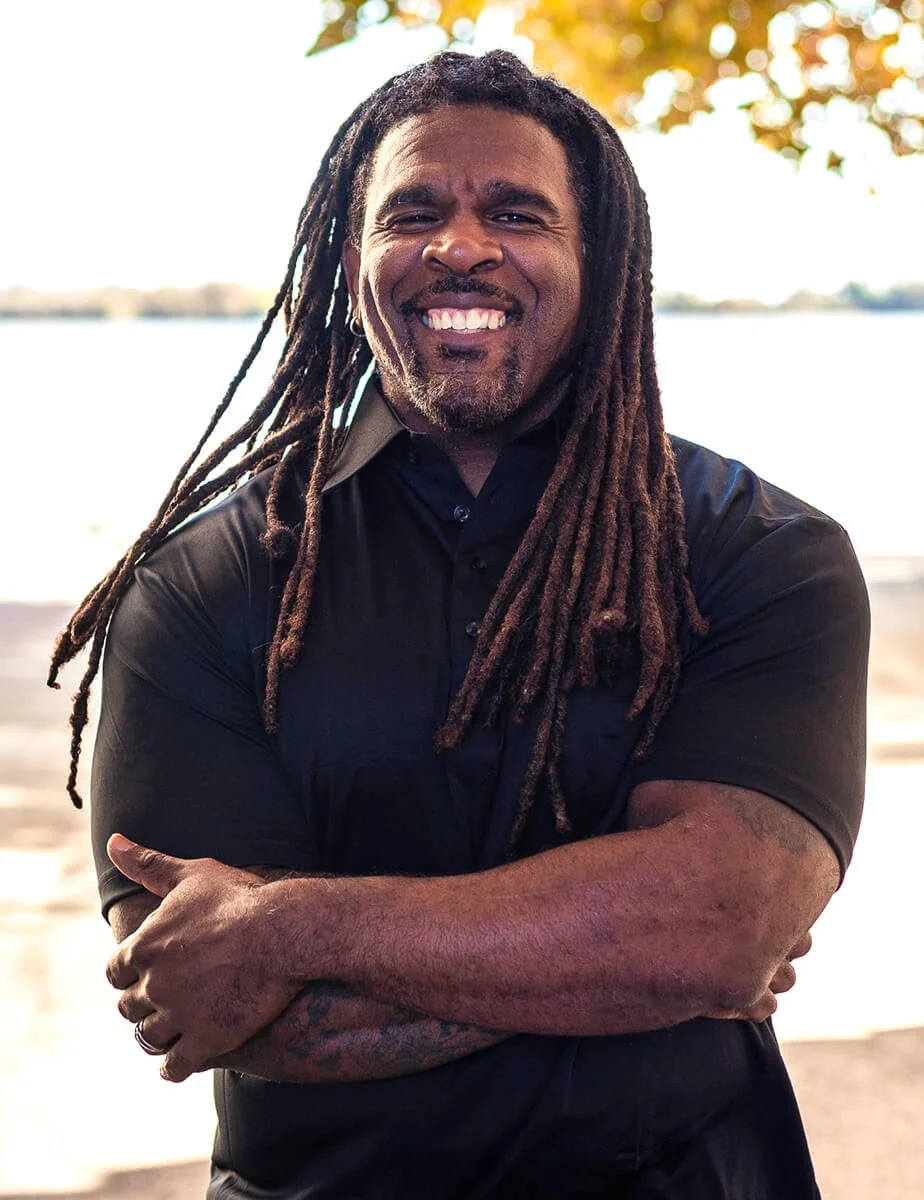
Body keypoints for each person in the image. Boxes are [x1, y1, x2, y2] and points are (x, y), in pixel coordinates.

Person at [51, 50, 869, 1199]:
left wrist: (290, 928)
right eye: (416, 212)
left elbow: (722, 926)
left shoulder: (762, 551)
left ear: (601, 263)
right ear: (352, 261)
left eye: (519, 213)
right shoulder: (203, 584)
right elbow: (213, 1005)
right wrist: (634, 955)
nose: (463, 245)